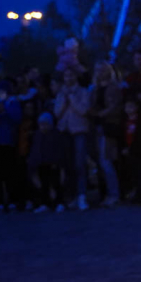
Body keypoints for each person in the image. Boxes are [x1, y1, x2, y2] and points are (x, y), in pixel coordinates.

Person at [55, 67, 91, 211]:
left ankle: (82, 195)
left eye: (71, 75)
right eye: (66, 75)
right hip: (65, 131)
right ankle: (71, 196)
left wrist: (72, 98)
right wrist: (64, 100)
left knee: (80, 164)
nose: (68, 78)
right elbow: (57, 113)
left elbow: (83, 110)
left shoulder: (83, 92)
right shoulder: (60, 93)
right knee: (68, 166)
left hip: (79, 131)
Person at [89, 61, 123, 207]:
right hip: (96, 126)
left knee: (106, 160)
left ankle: (114, 194)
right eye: (98, 70)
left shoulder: (114, 88)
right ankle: (106, 193)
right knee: (100, 162)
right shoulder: (94, 89)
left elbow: (115, 106)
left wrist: (102, 114)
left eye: (103, 70)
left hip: (108, 126)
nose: (100, 72)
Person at [0, 80, 23, 211]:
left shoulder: (13, 103)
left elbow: (17, 119)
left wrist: (5, 110)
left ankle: (13, 200)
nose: (1, 94)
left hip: (9, 142)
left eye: (4, 91)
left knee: (10, 173)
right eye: (0, 91)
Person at [27, 112, 67, 213]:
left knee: (56, 183)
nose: (43, 126)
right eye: (41, 124)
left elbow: (59, 150)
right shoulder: (37, 135)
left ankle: (59, 203)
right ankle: (45, 203)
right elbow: (35, 149)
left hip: (54, 163)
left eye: (45, 124)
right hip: (41, 163)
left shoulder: (56, 134)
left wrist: (59, 163)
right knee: (43, 184)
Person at [121, 99, 141, 205]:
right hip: (129, 151)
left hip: (140, 150)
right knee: (133, 173)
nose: (129, 109)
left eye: (131, 106)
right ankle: (136, 193)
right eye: (127, 107)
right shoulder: (125, 121)